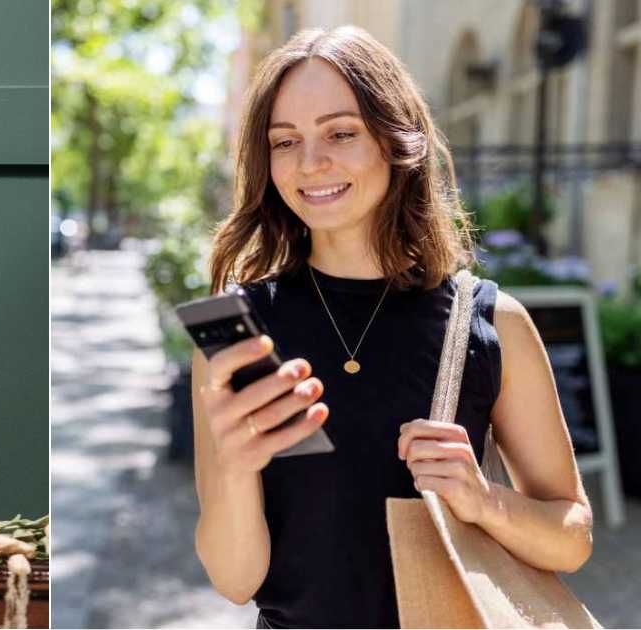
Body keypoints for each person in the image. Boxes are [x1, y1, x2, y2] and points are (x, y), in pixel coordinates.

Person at [192, 26, 593, 628]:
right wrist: (235, 465)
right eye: (285, 141)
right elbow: (236, 581)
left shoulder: (489, 323)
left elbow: (573, 535)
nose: (311, 162)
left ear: (397, 139)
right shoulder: (243, 334)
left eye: (341, 132)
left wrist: (485, 501)